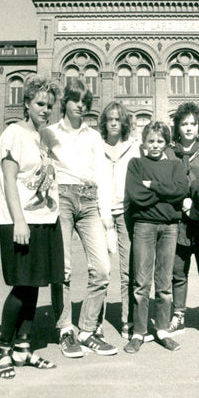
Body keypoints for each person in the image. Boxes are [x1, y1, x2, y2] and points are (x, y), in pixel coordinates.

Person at [0, 76, 64, 378]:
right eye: (40, 104)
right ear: (27, 104)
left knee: (35, 284)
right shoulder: (13, 134)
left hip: (45, 219)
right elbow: (8, 179)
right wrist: (19, 220)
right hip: (21, 221)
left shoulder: (44, 137)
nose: (45, 110)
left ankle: (23, 348)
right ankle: (3, 350)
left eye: (50, 105)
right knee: (21, 286)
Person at [43, 78, 117, 358]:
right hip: (60, 198)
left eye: (85, 103)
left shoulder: (93, 137)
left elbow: (102, 175)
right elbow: (40, 169)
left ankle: (86, 330)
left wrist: (106, 214)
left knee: (102, 268)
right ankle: (65, 330)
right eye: (76, 101)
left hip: (89, 200)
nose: (81, 107)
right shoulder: (49, 133)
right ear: (66, 102)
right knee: (62, 269)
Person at [123, 122, 189, 354]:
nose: (155, 145)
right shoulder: (136, 164)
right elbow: (136, 195)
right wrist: (165, 192)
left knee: (164, 284)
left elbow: (181, 190)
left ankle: (162, 330)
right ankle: (138, 333)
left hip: (170, 228)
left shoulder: (175, 164)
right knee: (141, 284)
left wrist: (153, 186)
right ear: (143, 143)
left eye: (160, 141)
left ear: (167, 144)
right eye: (151, 141)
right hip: (144, 227)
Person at [164, 102, 199, 344]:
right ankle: (178, 315)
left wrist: (195, 204)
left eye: (193, 124)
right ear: (177, 127)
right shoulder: (168, 153)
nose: (188, 128)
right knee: (178, 271)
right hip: (177, 222)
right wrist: (180, 200)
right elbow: (163, 184)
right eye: (184, 123)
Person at [98, 101, 142, 339]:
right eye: (110, 119)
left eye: (118, 119)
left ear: (124, 122)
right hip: (101, 213)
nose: (114, 123)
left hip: (126, 214)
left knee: (127, 272)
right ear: (104, 123)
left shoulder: (134, 147)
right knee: (100, 271)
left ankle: (127, 320)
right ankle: (95, 323)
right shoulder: (97, 147)